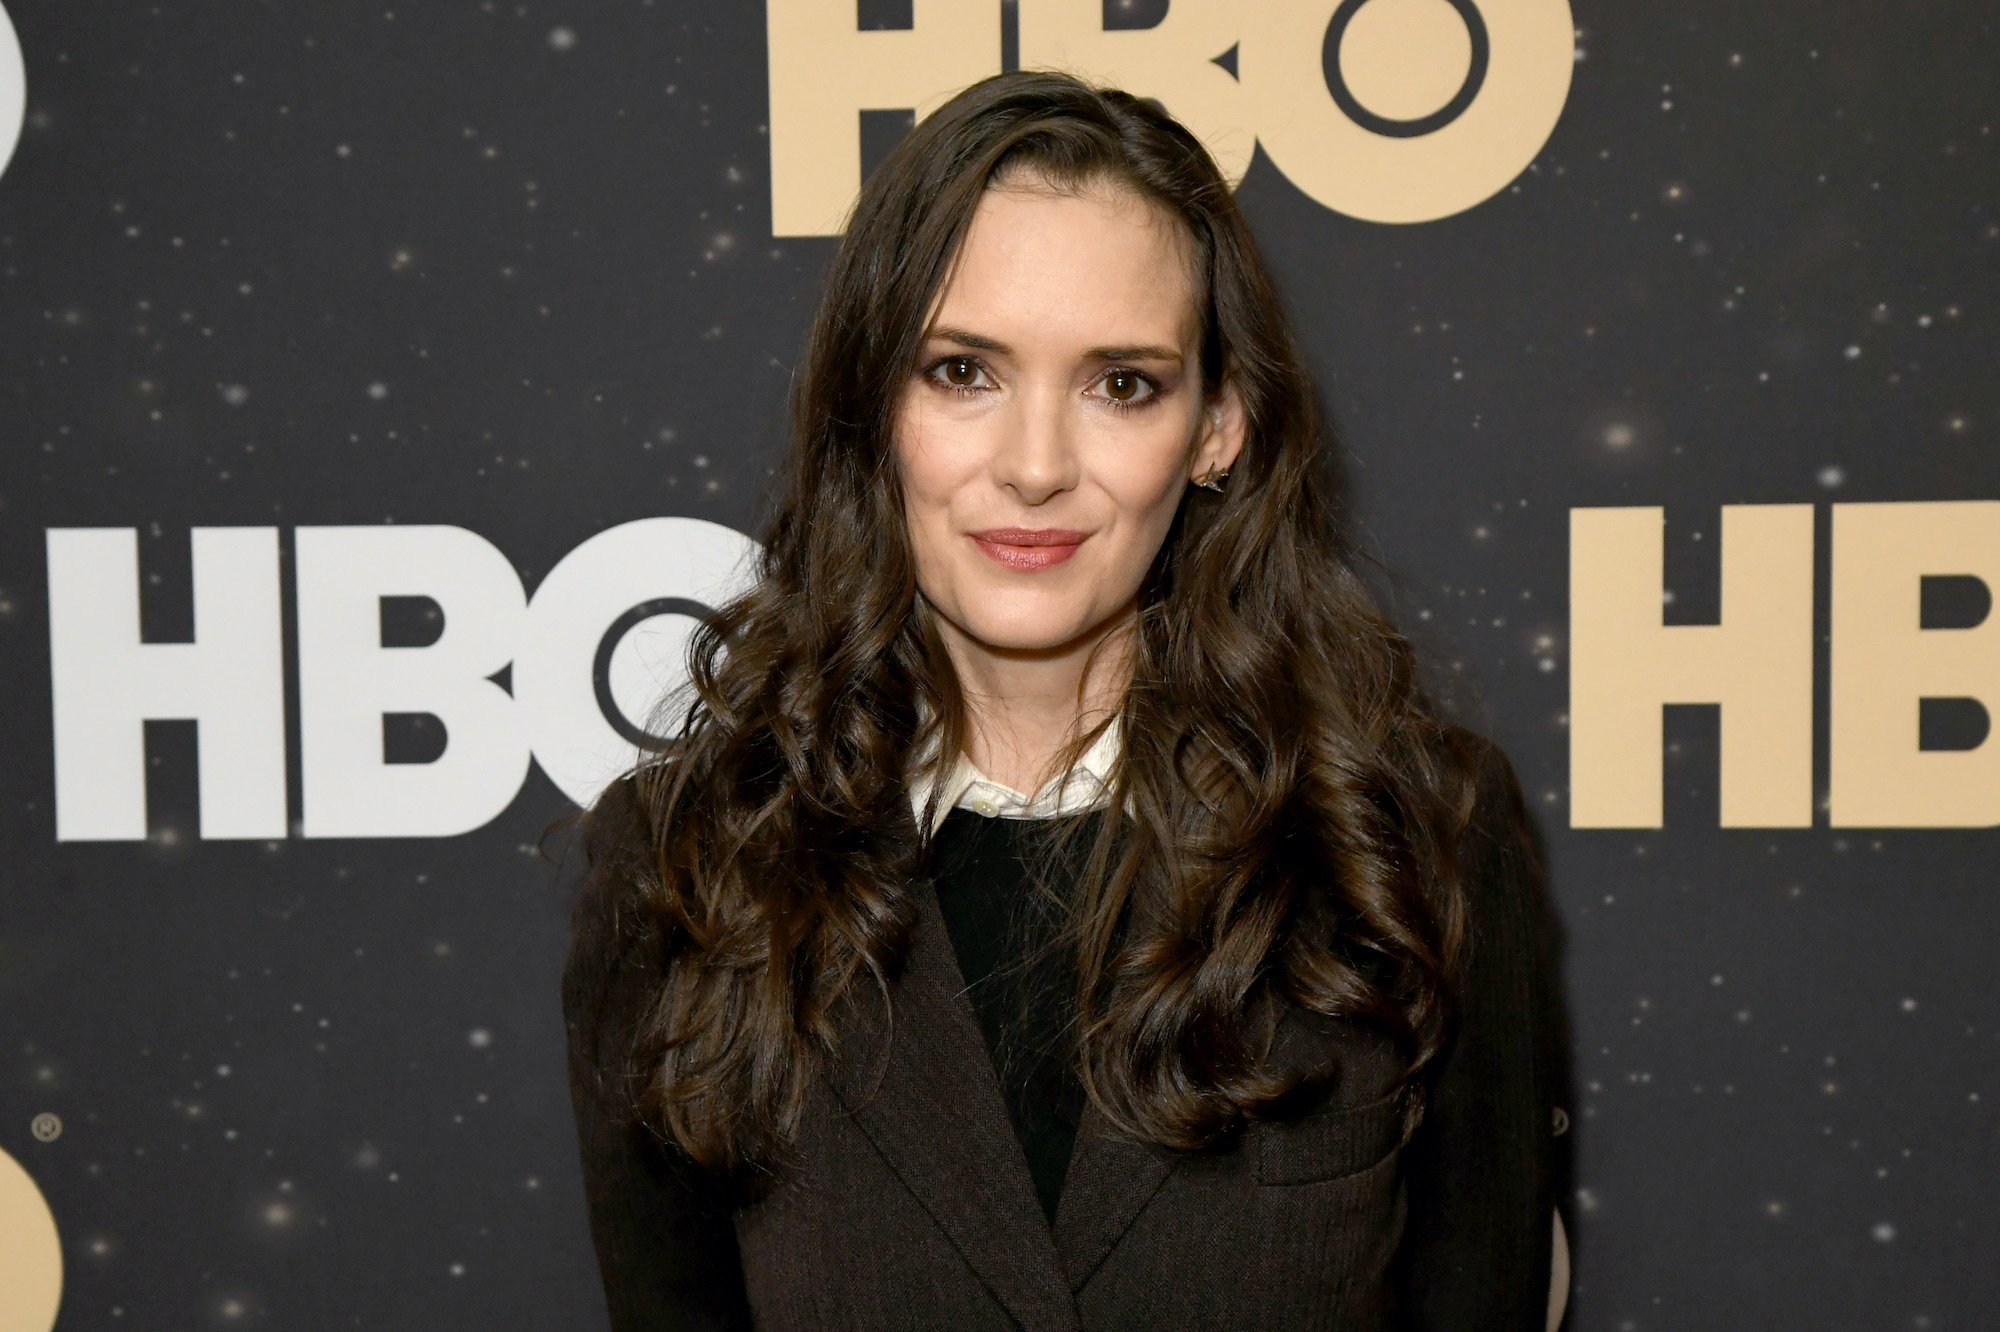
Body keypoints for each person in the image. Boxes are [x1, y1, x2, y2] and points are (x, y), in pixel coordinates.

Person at [555, 68, 1571, 1331]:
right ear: (873, 403)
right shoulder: (682, 872)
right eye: (962, 371)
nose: (1034, 466)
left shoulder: (1416, 838)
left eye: (1121, 384)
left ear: (1220, 427)